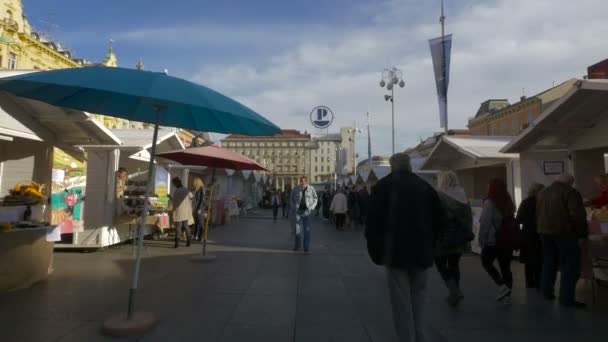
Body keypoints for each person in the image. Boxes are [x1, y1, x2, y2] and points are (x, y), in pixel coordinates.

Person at [365, 153, 445, 342]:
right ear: (409, 166)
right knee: (420, 298)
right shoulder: (425, 187)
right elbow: (440, 219)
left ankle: (406, 338)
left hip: (395, 252)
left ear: (392, 166)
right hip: (422, 251)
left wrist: (376, 250)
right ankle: (420, 336)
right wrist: (433, 243)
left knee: (400, 302)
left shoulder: (382, 187)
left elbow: (373, 222)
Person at [537, 173, 588, 308]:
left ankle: (546, 292)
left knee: (549, 262)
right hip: (564, 233)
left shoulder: (543, 192)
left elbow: (538, 213)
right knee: (569, 265)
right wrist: (582, 234)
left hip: (544, 232)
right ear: (570, 182)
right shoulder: (570, 192)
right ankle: (566, 299)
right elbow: (578, 215)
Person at [434, 171, 474, 307]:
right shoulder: (463, 195)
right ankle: (455, 291)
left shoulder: (439, 196)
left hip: (443, 237)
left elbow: (436, 217)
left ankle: (454, 290)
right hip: (459, 238)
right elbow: (469, 217)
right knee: (454, 265)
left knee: (440, 264)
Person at [478, 178, 516, 304]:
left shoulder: (490, 203)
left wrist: (482, 239)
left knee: (486, 262)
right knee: (506, 267)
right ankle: (507, 295)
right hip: (508, 240)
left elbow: (485, 223)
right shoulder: (509, 201)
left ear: (492, 188)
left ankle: (502, 286)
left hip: (494, 241)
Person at [516, 182, 545, 289]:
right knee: (539, 259)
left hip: (527, 233)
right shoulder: (543, 202)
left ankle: (529, 282)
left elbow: (519, 219)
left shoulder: (525, 202)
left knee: (528, 260)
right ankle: (539, 282)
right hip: (540, 233)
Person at [290, 176, 318, 252]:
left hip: (307, 212)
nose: (302, 182)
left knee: (307, 230)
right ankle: (297, 245)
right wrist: (294, 207)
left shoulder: (311, 189)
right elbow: (291, 199)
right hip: (298, 212)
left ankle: (306, 247)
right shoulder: (296, 189)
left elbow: (315, 199)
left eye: (303, 181)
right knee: (297, 230)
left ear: (306, 182)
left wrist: (311, 208)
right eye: (301, 181)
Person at [169, 177, 193, 248]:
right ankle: (189, 240)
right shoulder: (186, 190)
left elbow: (175, 202)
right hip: (186, 211)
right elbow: (191, 197)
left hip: (179, 211)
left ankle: (177, 243)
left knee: (178, 227)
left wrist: (170, 198)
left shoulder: (177, 191)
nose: (173, 185)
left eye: (173, 183)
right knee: (186, 225)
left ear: (176, 183)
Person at [191, 177, 206, 242]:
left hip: (200, 208)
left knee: (200, 223)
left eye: (195, 182)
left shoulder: (202, 189)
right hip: (196, 207)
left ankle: (200, 237)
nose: (193, 184)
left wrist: (199, 208)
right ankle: (195, 236)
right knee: (196, 222)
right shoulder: (197, 190)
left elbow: (202, 199)